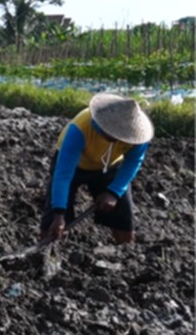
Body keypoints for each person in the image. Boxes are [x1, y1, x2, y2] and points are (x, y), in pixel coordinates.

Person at [40, 92, 154, 245]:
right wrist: (59, 214)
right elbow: (63, 174)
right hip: (75, 166)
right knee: (53, 218)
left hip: (110, 166)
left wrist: (114, 192)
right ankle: (43, 252)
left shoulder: (137, 134)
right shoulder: (81, 128)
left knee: (122, 216)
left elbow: (133, 163)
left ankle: (126, 252)